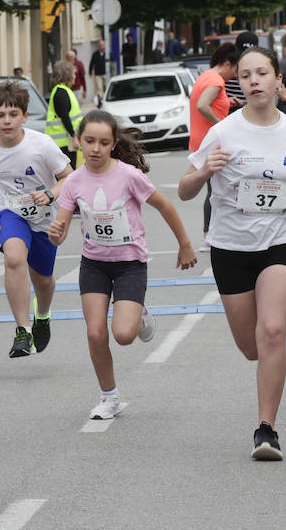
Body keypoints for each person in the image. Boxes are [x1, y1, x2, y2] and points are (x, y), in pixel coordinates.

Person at [178, 46, 286, 461]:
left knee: (273, 332)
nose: (254, 81)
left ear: (278, 80)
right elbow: (185, 188)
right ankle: (266, 373)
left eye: (262, 73)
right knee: (251, 347)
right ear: (239, 85)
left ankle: (267, 430)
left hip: (278, 242)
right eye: (246, 76)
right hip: (230, 247)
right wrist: (205, 170)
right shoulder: (223, 131)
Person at [47, 109, 196, 419]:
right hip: (94, 264)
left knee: (124, 335)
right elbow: (59, 232)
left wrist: (184, 244)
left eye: (103, 142)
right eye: (89, 141)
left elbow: (164, 205)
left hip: (129, 264)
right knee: (95, 333)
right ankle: (109, 396)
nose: (96, 148)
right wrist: (56, 233)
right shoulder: (74, 181)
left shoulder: (129, 175)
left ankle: (139, 313)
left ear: (114, 144)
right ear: (78, 142)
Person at [0, 79, 72, 358]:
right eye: (0, 115)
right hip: (11, 212)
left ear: (25, 116)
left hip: (44, 217)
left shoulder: (41, 144)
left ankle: (42, 315)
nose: (7, 121)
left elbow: (69, 177)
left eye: (13, 114)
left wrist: (51, 194)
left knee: (43, 281)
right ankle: (22, 330)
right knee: (14, 257)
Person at [189, 43, 235, 237]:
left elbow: (207, 103)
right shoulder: (216, 81)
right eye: (235, 69)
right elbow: (202, 105)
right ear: (226, 64)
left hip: (199, 141)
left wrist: (228, 102)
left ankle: (210, 233)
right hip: (212, 144)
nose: (235, 75)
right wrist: (220, 125)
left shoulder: (205, 76)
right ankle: (209, 234)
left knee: (212, 188)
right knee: (217, 190)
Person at [45, 59, 81, 168]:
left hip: (65, 144)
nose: (75, 76)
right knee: (68, 177)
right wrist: (74, 136)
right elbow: (65, 117)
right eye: (73, 73)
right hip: (63, 145)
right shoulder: (61, 92)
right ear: (67, 75)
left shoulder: (63, 91)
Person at [88, 39, 109, 106]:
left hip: (106, 73)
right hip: (98, 74)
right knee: (99, 88)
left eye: (102, 45)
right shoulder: (95, 54)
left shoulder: (107, 53)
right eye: (100, 45)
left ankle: (106, 100)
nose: (101, 46)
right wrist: (90, 72)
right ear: (98, 46)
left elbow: (111, 63)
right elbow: (92, 63)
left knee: (106, 87)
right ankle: (101, 101)